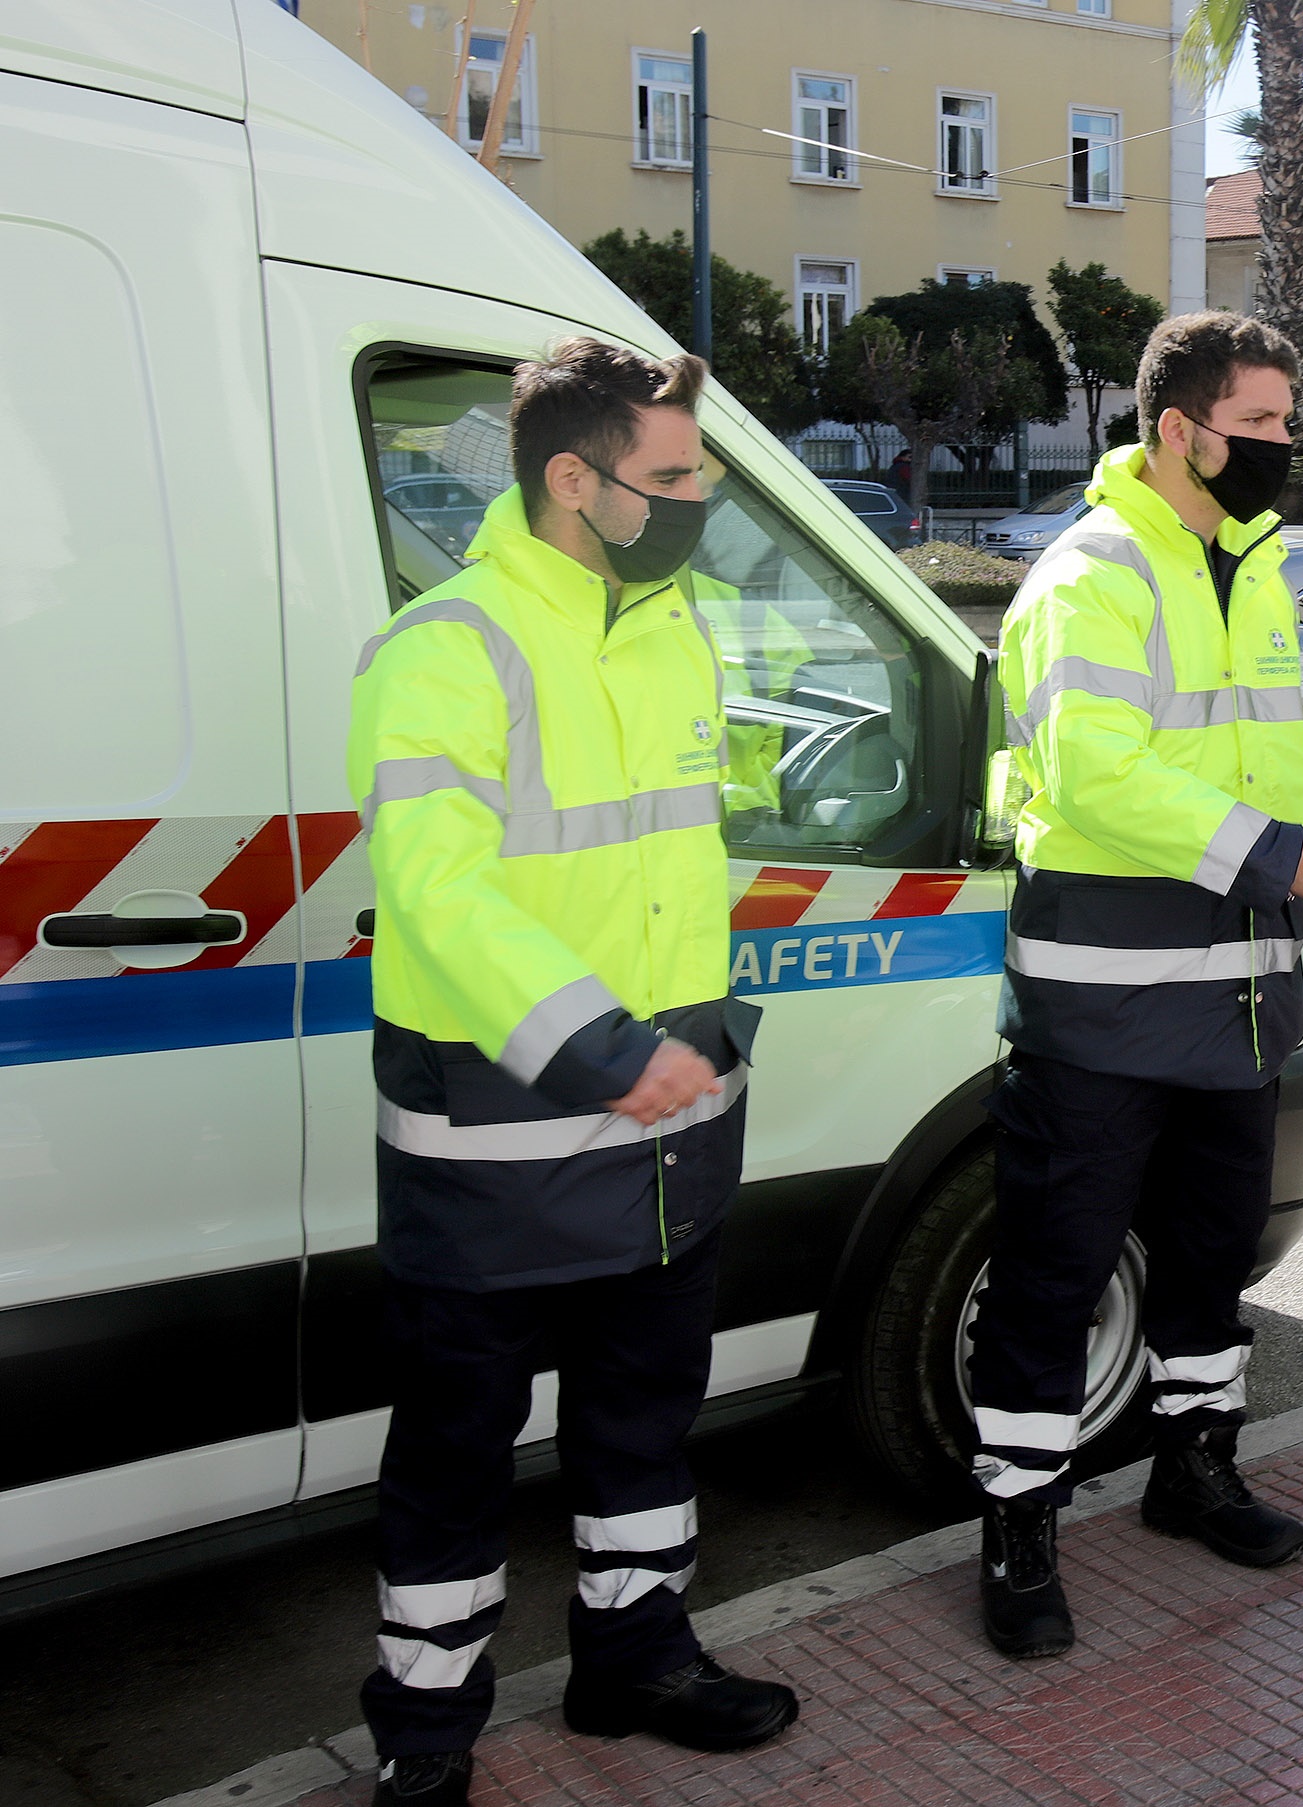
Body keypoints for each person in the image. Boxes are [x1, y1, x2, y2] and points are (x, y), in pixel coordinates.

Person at [346, 339, 799, 1807]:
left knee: (642, 1422)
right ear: (569, 476)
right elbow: (437, 889)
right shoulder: (447, 646)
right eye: (670, 475)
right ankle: (424, 1737)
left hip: (666, 1134)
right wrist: (603, 1048)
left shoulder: (677, 628)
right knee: (455, 1460)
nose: (695, 498)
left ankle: (636, 1656)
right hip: (499, 1142)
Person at [969, 312, 1303, 1660]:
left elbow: (1246, 752)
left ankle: (1191, 1466)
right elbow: (1096, 775)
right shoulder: (1091, 571)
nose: (1281, 446)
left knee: (1208, 1260)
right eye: (1258, 424)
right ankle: (1018, 1521)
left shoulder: (1244, 568)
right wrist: (1280, 853)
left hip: (1240, 999)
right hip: (1102, 1005)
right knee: (1053, 1269)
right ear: (1176, 428)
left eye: (1285, 421)